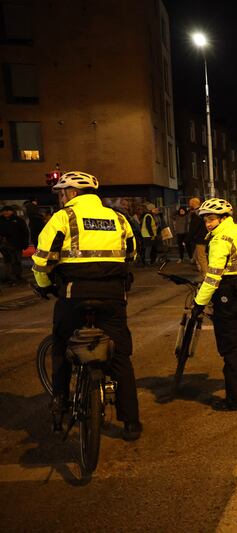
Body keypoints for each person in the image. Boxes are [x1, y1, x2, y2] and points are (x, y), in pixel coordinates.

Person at [31, 171, 141, 439]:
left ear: (72, 193)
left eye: (62, 192)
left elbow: (42, 260)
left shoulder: (63, 217)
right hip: (113, 296)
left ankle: (61, 403)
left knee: (61, 346)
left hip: (74, 294)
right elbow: (132, 253)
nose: (60, 197)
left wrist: (44, 284)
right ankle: (131, 422)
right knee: (120, 357)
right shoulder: (118, 218)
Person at [191, 198, 237, 411]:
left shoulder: (221, 240)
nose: (208, 224)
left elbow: (212, 278)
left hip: (230, 295)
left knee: (230, 351)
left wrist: (198, 303)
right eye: (206, 220)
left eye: (211, 219)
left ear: (223, 218)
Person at [0, 205, 29, 284]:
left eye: (7, 211)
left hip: (16, 245)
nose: (5, 213)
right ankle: (7, 277)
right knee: (7, 262)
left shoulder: (18, 220)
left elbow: (25, 232)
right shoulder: (1, 220)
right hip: (4, 246)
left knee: (16, 261)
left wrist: (25, 243)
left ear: (11, 211)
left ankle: (17, 276)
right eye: (3, 211)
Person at [188, 197, 208, 275]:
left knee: (201, 258)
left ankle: (206, 275)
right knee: (197, 255)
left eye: (190, 203)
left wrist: (187, 238)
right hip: (202, 237)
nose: (189, 204)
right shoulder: (201, 211)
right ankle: (199, 267)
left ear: (193, 203)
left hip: (200, 238)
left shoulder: (196, 213)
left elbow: (194, 228)